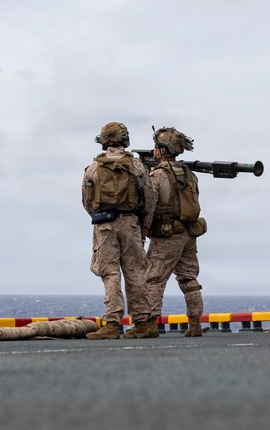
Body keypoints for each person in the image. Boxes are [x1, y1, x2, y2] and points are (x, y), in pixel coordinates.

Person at [81, 122, 156, 339]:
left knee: (109, 272)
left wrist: (101, 218)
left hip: (105, 226)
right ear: (125, 140)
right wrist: (143, 226)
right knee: (136, 273)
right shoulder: (137, 167)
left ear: (104, 140)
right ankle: (143, 323)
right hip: (132, 224)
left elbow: (86, 201)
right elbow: (149, 199)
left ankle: (112, 324)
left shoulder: (93, 168)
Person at [143, 127, 208, 338]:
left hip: (167, 234)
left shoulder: (158, 175)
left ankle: (149, 324)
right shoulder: (190, 175)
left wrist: (143, 229)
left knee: (153, 278)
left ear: (162, 149)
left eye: (156, 147)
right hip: (189, 234)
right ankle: (195, 323)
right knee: (189, 279)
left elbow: (150, 205)